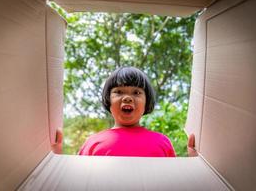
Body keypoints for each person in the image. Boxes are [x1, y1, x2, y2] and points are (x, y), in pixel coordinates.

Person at [52, 67, 198, 157]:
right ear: (108, 100)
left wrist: (194, 162)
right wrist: (55, 157)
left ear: (147, 102)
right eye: (119, 92)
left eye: (136, 92)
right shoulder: (92, 143)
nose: (127, 98)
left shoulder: (163, 143)